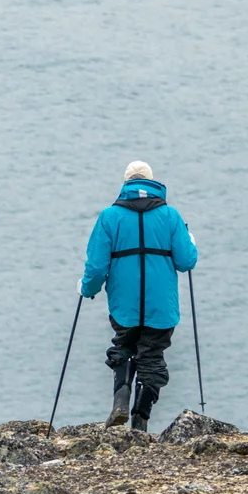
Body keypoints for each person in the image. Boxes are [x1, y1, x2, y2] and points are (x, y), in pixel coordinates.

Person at [79, 160, 198, 432]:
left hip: (124, 305)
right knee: (152, 358)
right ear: (152, 182)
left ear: (126, 184)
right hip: (161, 306)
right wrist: (189, 240)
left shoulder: (109, 217)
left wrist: (87, 289)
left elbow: (96, 267)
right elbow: (186, 261)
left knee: (124, 347)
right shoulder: (171, 216)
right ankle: (140, 421)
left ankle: (120, 400)